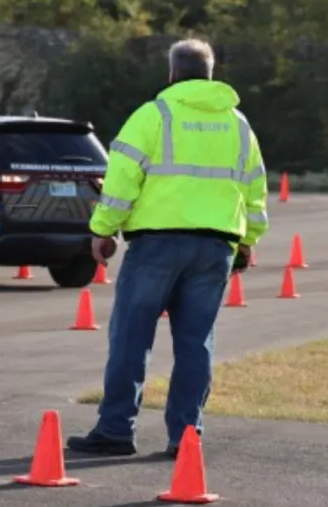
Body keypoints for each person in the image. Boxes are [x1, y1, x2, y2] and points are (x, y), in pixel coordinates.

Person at [66, 38, 269, 458]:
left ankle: (116, 429)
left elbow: (121, 180)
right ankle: (186, 437)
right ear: (211, 74)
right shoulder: (239, 124)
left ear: (172, 74)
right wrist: (247, 241)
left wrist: (103, 230)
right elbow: (255, 188)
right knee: (196, 343)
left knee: (131, 338)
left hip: (157, 244)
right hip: (215, 246)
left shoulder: (153, 116)